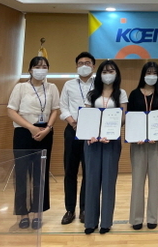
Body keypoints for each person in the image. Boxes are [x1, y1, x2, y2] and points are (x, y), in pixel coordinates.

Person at [7, 56, 60, 230]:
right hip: (23, 132)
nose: (41, 69)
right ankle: (23, 213)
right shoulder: (20, 87)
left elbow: (55, 109)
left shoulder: (52, 87)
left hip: (45, 133)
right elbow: (11, 111)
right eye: (37, 66)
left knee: (40, 174)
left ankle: (38, 213)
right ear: (30, 70)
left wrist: (48, 128)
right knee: (22, 174)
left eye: (44, 66)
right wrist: (31, 127)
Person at [82, 60, 128, 234]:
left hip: (111, 141)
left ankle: (106, 223)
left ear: (117, 74)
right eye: (105, 71)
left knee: (108, 180)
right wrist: (91, 133)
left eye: (111, 71)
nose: (108, 74)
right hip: (92, 141)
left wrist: (111, 131)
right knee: (91, 180)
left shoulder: (121, 93)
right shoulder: (91, 94)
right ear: (99, 74)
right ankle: (90, 222)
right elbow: (87, 116)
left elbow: (123, 117)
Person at [128, 61, 158, 230]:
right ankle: (136, 218)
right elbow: (130, 118)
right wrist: (135, 136)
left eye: (154, 73)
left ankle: (153, 218)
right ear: (143, 75)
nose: (151, 76)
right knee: (137, 181)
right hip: (137, 143)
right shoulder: (134, 94)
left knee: (155, 181)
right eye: (148, 72)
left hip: (156, 143)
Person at [59, 52, 95, 225]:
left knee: (88, 171)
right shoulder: (69, 84)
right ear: (76, 66)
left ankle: (85, 209)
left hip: (92, 132)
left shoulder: (99, 84)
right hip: (72, 130)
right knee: (70, 171)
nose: (84, 65)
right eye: (80, 63)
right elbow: (63, 106)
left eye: (87, 63)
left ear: (93, 66)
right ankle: (69, 209)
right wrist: (72, 122)